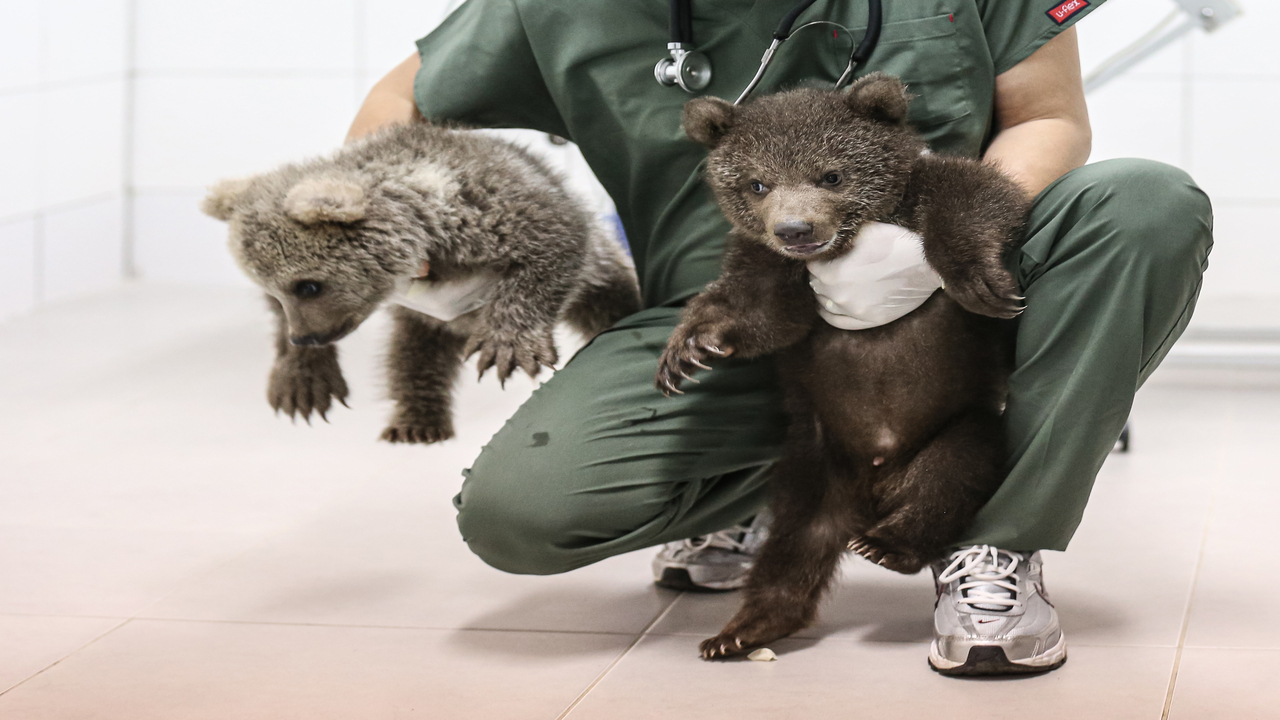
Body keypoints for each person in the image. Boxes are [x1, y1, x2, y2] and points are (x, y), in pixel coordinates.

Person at [347, 0, 1212, 676]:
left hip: (963, 284)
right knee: (522, 514)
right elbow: (398, 101)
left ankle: (996, 546)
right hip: (736, 316)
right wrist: (402, 228)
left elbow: (1047, 117)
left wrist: (932, 249)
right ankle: (747, 499)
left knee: (1142, 205)